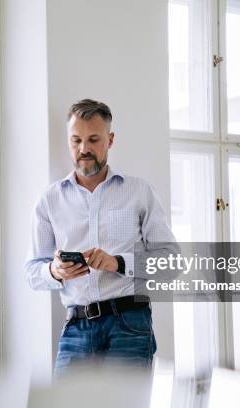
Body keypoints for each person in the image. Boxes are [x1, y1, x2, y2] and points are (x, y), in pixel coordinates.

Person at [24, 98, 176, 377]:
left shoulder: (140, 192)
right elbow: (32, 272)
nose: (84, 149)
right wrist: (54, 271)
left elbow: (171, 262)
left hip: (129, 324)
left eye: (93, 139)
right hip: (76, 326)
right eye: (76, 140)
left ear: (110, 139)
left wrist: (118, 263)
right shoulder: (49, 200)